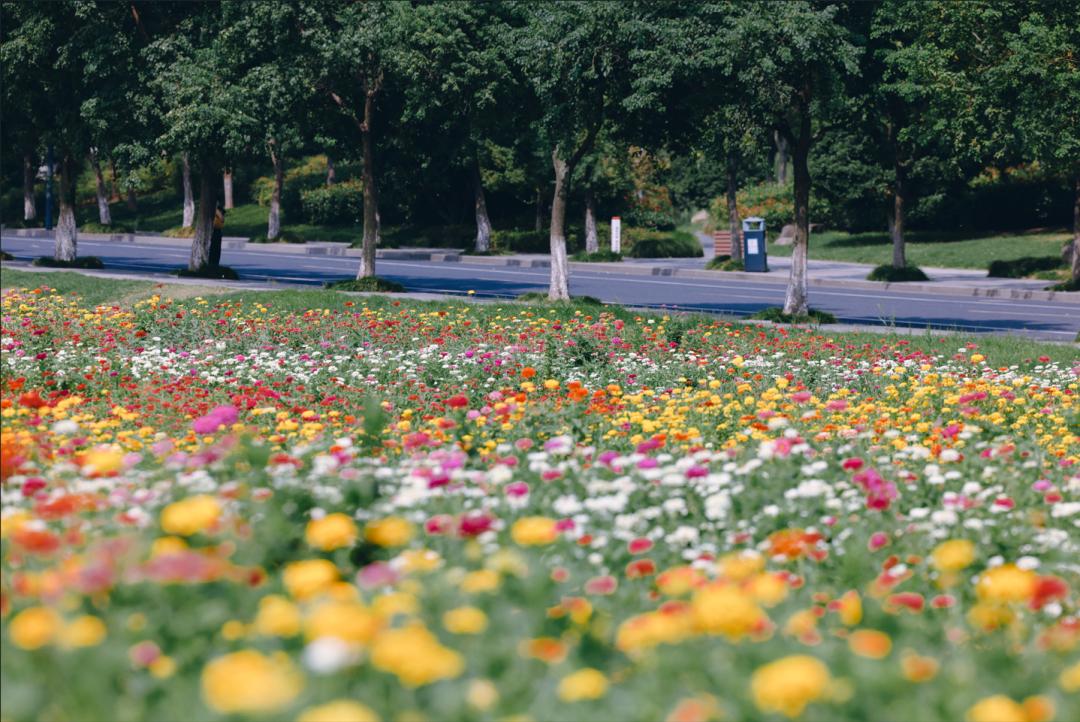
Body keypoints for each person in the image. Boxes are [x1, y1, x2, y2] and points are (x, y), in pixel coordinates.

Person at [209, 202, 225, 267]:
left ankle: (215, 263)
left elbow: (222, 219)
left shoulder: (218, 210)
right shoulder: (211, 209)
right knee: (212, 249)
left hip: (217, 231)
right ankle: (211, 263)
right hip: (212, 231)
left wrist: (217, 211)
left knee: (217, 249)